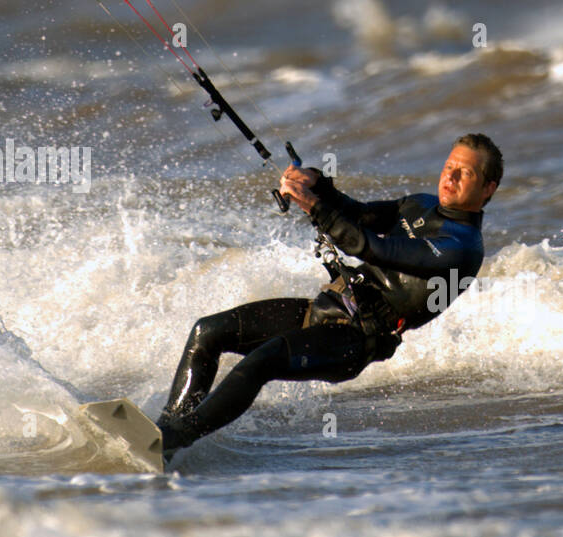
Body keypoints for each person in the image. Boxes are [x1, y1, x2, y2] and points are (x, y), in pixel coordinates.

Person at [156, 133, 503, 465]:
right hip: (327, 308)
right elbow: (360, 214)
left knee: (263, 360)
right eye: (448, 167)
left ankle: (174, 440)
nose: (450, 177)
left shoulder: (463, 247)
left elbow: (374, 247)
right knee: (208, 331)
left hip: (356, 338)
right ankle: (163, 434)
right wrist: (317, 184)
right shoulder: (422, 204)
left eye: (465, 172)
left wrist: (315, 208)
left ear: (488, 188)